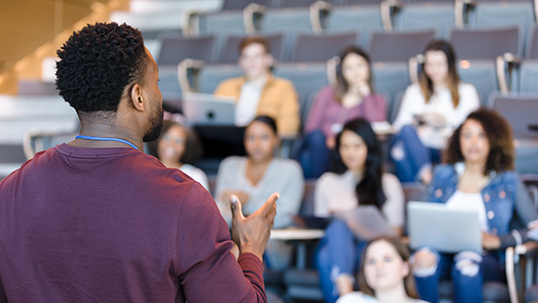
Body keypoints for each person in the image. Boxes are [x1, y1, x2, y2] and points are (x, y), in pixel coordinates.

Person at [0, 22, 278, 302]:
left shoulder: (11, 189)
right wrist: (251, 249)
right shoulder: (183, 200)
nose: (160, 95)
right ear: (138, 96)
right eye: (155, 83)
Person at [411, 108, 538, 303]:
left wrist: (498, 241)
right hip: (441, 252)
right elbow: (419, 219)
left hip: (486, 258)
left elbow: (535, 229)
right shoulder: (442, 175)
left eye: (481, 136)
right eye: (467, 135)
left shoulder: (508, 180)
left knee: (466, 262)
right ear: (458, 140)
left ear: (493, 141)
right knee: (422, 260)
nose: (473, 142)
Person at [314, 118, 405, 303]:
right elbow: (319, 225)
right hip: (336, 243)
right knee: (337, 228)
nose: (350, 153)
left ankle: (346, 298)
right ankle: (347, 296)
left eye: (357, 146)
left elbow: (396, 232)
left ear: (369, 148)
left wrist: (359, 226)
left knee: (326, 257)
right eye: (345, 147)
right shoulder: (327, 182)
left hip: (369, 250)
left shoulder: (388, 183)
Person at [215, 115, 304, 270]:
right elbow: (218, 213)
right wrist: (260, 209)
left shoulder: (291, 170)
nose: (256, 143)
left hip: (271, 244)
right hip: (229, 240)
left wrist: (247, 201)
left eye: (264, 137)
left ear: (276, 140)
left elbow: (284, 216)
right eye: (251, 137)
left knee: (232, 256)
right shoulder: (229, 166)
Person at [391, 40, 480, 183]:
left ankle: (418, 193)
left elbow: (472, 127)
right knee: (404, 137)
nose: (434, 70)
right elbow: (399, 126)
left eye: (439, 65)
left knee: (398, 153)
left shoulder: (467, 91)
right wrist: (417, 126)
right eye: (430, 65)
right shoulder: (414, 91)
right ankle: (426, 175)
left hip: (448, 146)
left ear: (450, 65)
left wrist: (444, 122)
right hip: (421, 144)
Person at [301, 46, 388, 178]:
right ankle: (321, 186)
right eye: (349, 68)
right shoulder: (327, 93)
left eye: (360, 66)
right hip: (324, 147)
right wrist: (330, 139)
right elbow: (311, 127)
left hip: (353, 150)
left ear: (368, 68)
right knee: (314, 141)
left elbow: (377, 130)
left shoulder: (377, 99)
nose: (355, 72)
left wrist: (366, 96)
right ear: (341, 72)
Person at [214, 37, 300, 136]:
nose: (251, 61)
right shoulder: (226, 86)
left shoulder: (283, 87)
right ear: (240, 62)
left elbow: (290, 126)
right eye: (246, 57)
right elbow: (213, 119)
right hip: (227, 138)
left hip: (261, 142)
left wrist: (258, 133)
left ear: (269, 59)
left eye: (257, 56)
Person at [337, 237, 429, 303]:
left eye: (387, 259)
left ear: (405, 267)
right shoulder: (350, 300)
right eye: (371, 262)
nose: (378, 266)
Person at [148, 119, 209, 190]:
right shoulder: (146, 171)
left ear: (186, 147)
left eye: (179, 141)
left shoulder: (195, 175)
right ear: (157, 140)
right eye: (166, 138)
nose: (171, 144)